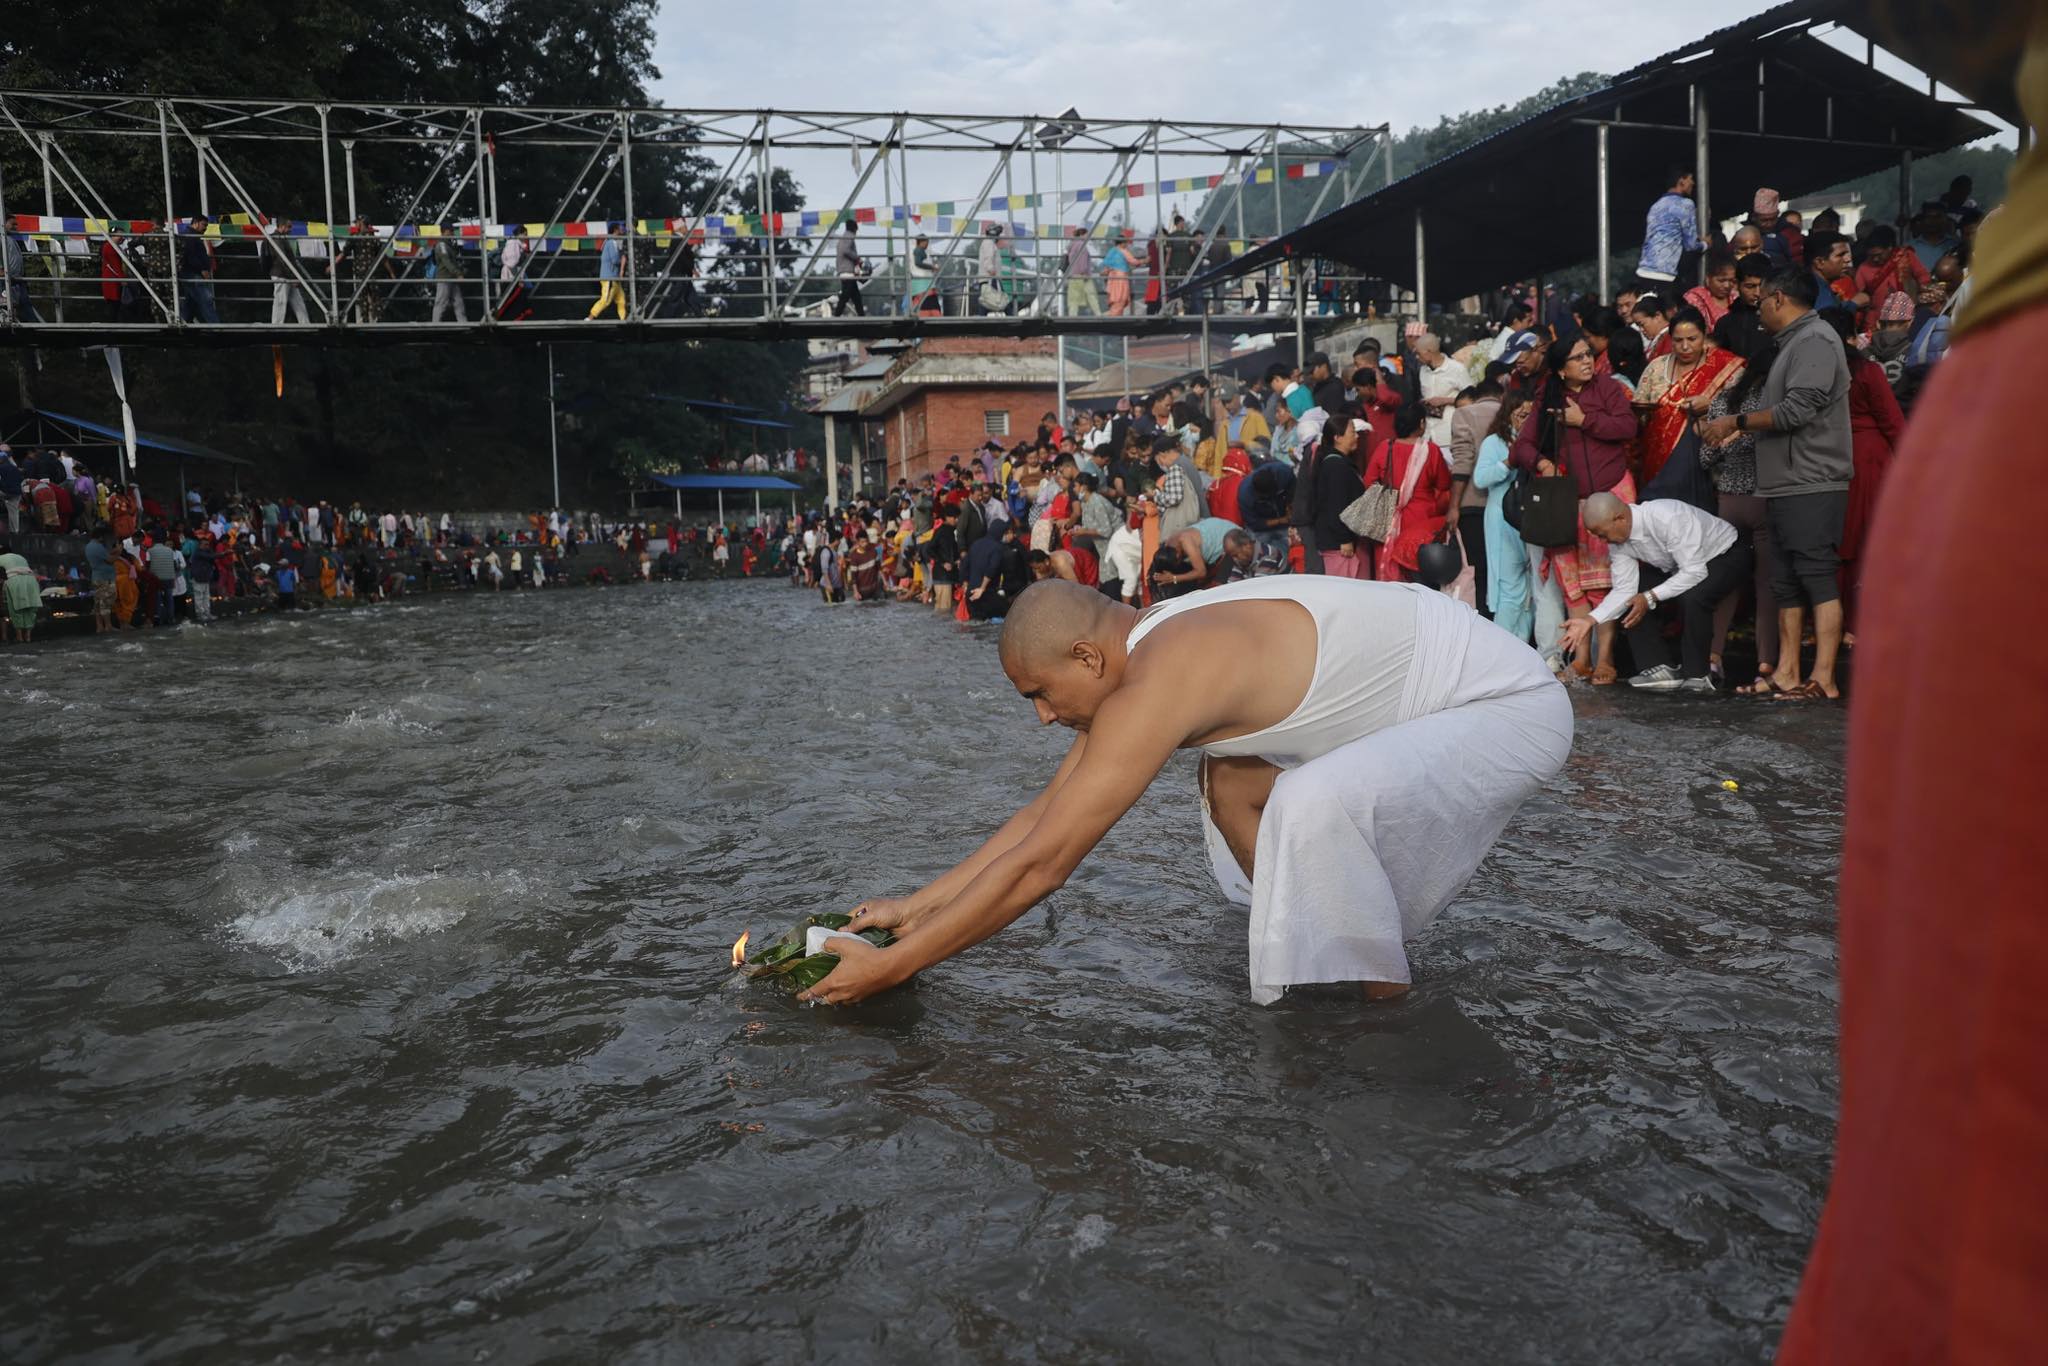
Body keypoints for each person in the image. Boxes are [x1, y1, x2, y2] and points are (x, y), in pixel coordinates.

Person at [805, 577, 1573, 1007]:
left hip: (1506, 708)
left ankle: (1379, 1010)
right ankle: (1336, 964)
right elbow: (1043, 817)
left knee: (1310, 803)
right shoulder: (1147, 642)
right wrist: (914, 910)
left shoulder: (1160, 680)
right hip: (1435, 686)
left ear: (1085, 654)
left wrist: (897, 968)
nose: (1042, 717)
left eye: (1038, 693)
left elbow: (1047, 866)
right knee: (1232, 779)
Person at [1697, 267, 1852, 700]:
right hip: (1782, 482)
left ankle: (1824, 678)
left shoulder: (1817, 340)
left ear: (1779, 298)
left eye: (1761, 299)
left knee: (1817, 575)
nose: (1757, 307)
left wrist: (1734, 422)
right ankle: (1786, 672)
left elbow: (1796, 411)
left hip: (1812, 479)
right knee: (1783, 580)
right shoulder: (1791, 344)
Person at [1510, 335, 1641, 684]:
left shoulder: (1609, 389)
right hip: (1567, 503)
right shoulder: (1547, 396)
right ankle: (1582, 658)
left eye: (1588, 354)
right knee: (1575, 584)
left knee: (1608, 580)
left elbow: (1628, 427)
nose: (1587, 361)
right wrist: (1542, 464)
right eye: (1577, 357)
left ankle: (1606, 659)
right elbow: (1521, 446)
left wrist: (1585, 420)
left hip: (1610, 497)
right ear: (1560, 369)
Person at [1564, 493, 1751, 692]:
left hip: (1726, 554)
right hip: (1680, 566)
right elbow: (1623, 590)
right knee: (1633, 593)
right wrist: (1589, 620)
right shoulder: (1618, 541)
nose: (1602, 541)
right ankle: (1658, 668)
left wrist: (1650, 597)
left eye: (1602, 534)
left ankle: (1698, 674)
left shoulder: (1667, 517)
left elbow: (1695, 572)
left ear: (1620, 519)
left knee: (1694, 596)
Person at [1826, 310, 1907, 642]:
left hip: (1828, 454)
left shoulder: (1819, 371)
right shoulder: (1866, 371)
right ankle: (1855, 625)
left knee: (1840, 541)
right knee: (1864, 541)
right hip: (1869, 457)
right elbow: (1892, 421)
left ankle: (1831, 623)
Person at [1632, 305, 1744, 485]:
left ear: (1705, 334)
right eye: (1677, 340)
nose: (1685, 347)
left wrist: (1711, 405)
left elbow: (1745, 411)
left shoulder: (1726, 368)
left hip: (1706, 468)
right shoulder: (1656, 367)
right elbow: (1639, 410)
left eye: (1692, 339)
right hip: (1657, 465)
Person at [1361, 404, 1453, 585]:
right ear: (1421, 423)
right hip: (1421, 522)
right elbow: (1444, 485)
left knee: (1390, 586)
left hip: (1387, 522)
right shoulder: (1430, 450)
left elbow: (1369, 483)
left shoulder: (1384, 447)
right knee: (1419, 581)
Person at [1473, 395, 1535, 646]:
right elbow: (1480, 479)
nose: (1526, 421)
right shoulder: (1494, 442)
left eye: (1531, 416)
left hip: (1531, 518)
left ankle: (1523, 648)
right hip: (1503, 518)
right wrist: (1508, 462)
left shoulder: (1535, 441)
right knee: (1509, 585)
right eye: (1521, 415)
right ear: (1508, 415)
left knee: (1530, 588)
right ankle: (1504, 648)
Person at [1448, 378, 1502, 617]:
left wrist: (1454, 505)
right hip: (1507, 504)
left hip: (1473, 503)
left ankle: (1483, 622)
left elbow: (1463, 461)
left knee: (1478, 569)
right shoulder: (1512, 412)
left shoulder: (1464, 414)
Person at [1310, 411, 1371, 579]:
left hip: (1341, 541)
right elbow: (1335, 506)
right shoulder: (1335, 466)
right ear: (1338, 437)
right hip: (1339, 546)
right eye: (1352, 432)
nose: (1357, 436)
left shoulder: (1340, 463)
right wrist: (1344, 539)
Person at [1637, 164, 1704, 298]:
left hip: (1643, 271)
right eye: (1690, 179)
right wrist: (1705, 244)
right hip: (1664, 274)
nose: (1693, 183)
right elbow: (1691, 245)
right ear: (1681, 181)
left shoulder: (1656, 206)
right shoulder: (1686, 204)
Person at [1153, 520, 1256, 593]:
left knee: (1221, 589)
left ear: (1178, 555)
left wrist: (1174, 578)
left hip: (1230, 540)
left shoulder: (1186, 542)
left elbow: (1201, 572)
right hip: (1220, 532)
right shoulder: (1168, 543)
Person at [1714, 251, 1772, 360]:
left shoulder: (1779, 320)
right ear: (1737, 285)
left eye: (1762, 286)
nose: (1757, 293)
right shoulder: (1726, 324)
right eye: (1750, 286)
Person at [266, 218, 310, 324]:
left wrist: (292, 276)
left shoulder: (281, 238)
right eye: (289, 227)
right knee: (280, 301)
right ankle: (276, 326)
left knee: (298, 302)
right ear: (282, 226)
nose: (291, 229)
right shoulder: (277, 238)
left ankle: (305, 324)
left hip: (286, 274)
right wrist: (293, 277)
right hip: (281, 274)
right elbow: (283, 259)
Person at [1684, 247, 1738, 333]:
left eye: (1732, 281)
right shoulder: (1695, 298)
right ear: (1708, 279)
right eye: (1721, 280)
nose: (1727, 285)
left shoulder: (1735, 298)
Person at [586, 222, 624, 321]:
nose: (622, 230)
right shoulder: (611, 243)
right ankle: (590, 317)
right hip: (609, 277)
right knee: (605, 300)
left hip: (614, 278)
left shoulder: (611, 242)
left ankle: (623, 319)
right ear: (615, 230)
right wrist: (623, 259)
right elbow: (615, 259)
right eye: (620, 228)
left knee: (621, 300)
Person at [432, 227, 469, 323]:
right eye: (450, 230)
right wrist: (458, 273)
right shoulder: (442, 245)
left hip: (451, 277)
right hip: (445, 278)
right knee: (441, 302)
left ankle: (463, 324)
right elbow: (446, 261)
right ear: (445, 231)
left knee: (458, 302)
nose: (452, 232)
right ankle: (435, 325)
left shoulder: (447, 245)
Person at [1063, 227, 1099, 317]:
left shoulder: (1071, 245)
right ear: (1082, 235)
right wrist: (1084, 272)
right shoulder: (1081, 245)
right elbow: (1082, 260)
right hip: (1083, 274)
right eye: (1087, 235)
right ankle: (1098, 313)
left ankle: (1072, 315)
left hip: (1073, 274)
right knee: (1091, 295)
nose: (1088, 237)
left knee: (1073, 298)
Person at [1101, 229, 1137, 317]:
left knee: (1115, 299)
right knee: (1120, 298)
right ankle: (1114, 318)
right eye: (1126, 243)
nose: (1127, 244)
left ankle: (1114, 317)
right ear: (1122, 243)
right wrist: (1145, 260)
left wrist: (1105, 272)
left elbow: (1107, 265)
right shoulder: (1123, 251)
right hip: (1120, 278)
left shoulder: (1112, 251)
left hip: (1112, 278)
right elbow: (1134, 262)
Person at [834, 220, 865, 318]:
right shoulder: (849, 236)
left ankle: (862, 316)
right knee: (845, 296)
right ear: (854, 229)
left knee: (856, 297)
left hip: (843, 270)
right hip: (847, 271)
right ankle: (836, 315)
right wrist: (857, 258)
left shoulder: (842, 238)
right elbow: (846, 250)